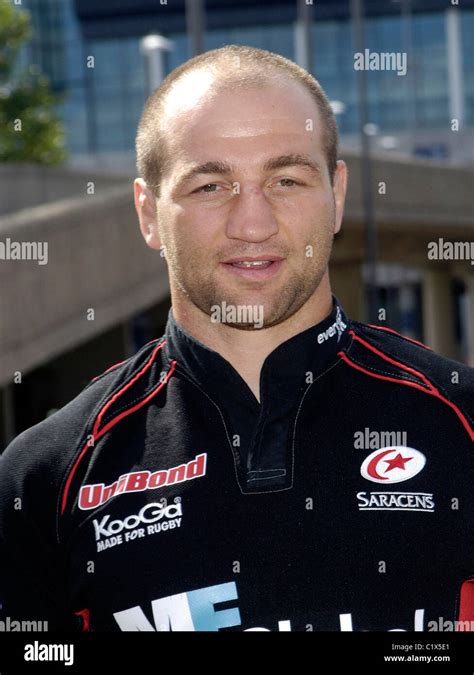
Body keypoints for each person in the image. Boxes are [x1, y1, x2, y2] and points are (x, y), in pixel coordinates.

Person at [0, 45, 472, 633]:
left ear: (338, 195)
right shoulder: (43, 476)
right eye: (210, 187)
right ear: (148, 213)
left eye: (287, 179)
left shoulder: (464, 420)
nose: (253, 224)